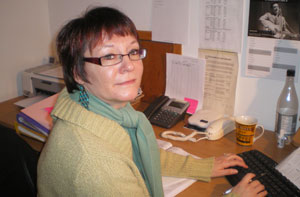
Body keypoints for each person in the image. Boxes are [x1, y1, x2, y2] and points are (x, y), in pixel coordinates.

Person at [37, 7, 267, 197]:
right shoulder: (95, 163)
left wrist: (203, 167)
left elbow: (144, 152)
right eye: (109, 56)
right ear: (77, 73)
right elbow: (112, 161)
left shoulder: (97, 106)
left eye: (133, 52)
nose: (129, 66)